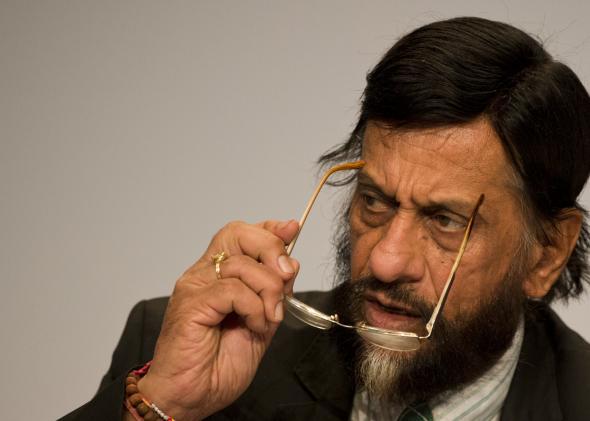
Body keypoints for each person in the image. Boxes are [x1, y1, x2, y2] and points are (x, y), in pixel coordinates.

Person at [62, 16, 590, 421]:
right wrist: (164, 404)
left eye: (446, 221)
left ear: (546, 254)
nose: (384, 262)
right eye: (375, 201)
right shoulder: (178, 351)